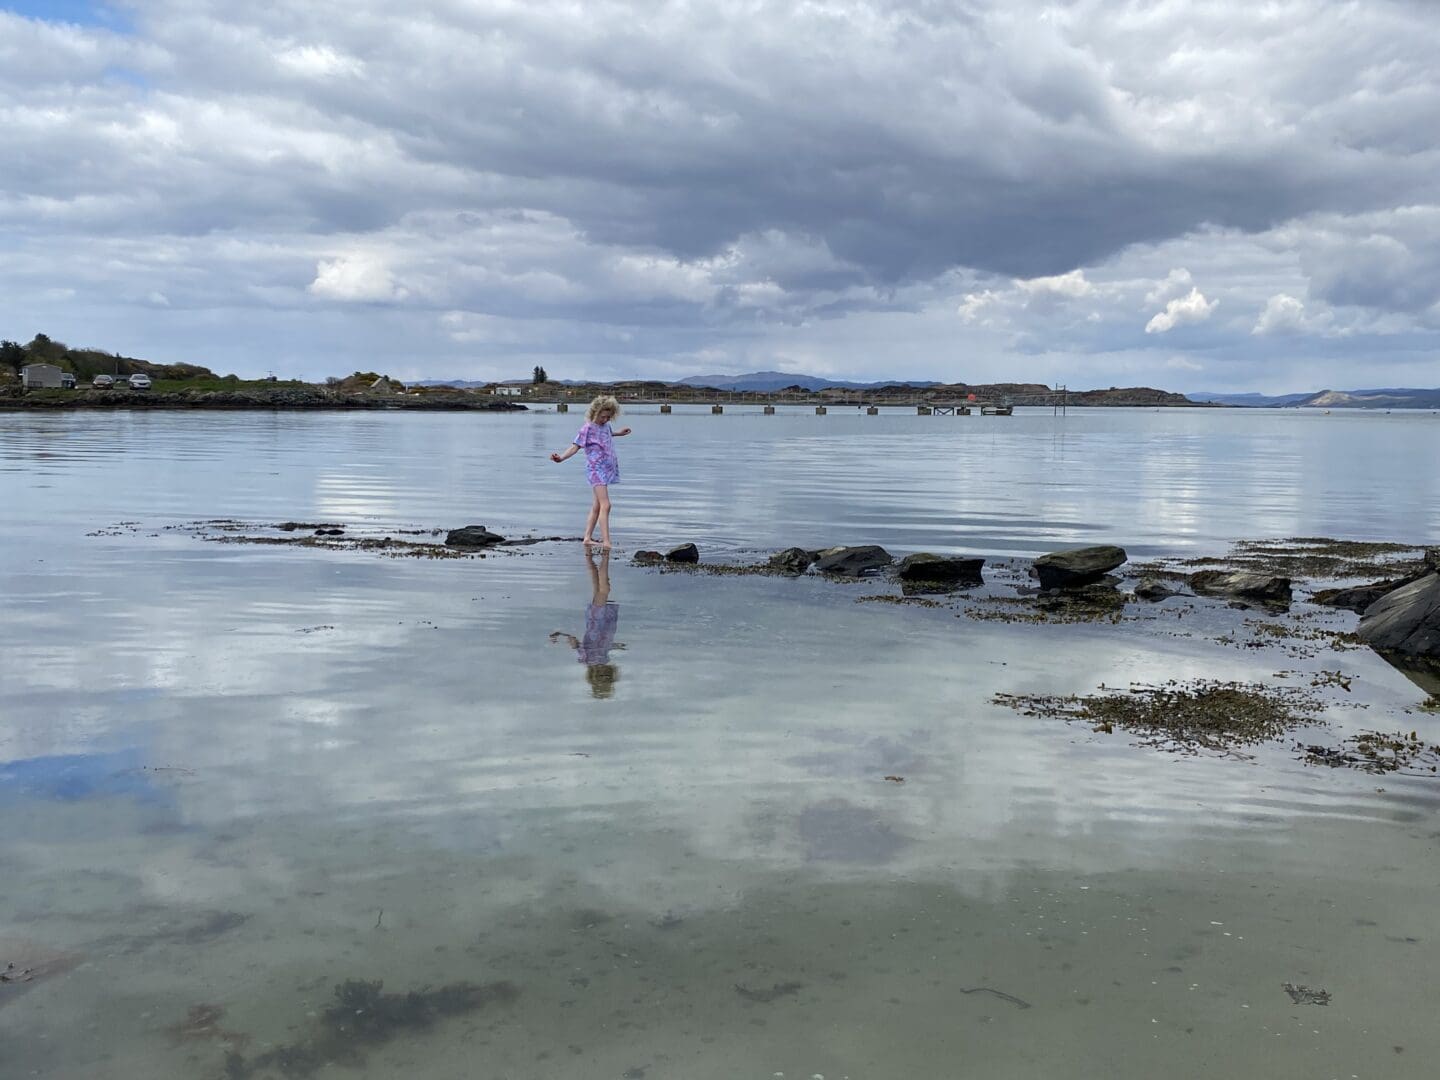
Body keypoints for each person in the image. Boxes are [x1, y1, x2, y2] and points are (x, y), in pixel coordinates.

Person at [549, 395, 632, 549]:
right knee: (606, 505)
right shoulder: (587, 428)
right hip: (596, 470)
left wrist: (619, 433)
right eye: (603, 417)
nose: (605, 419)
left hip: (607, 469)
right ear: (595, 413)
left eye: (608, 417)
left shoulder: (606, 426)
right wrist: (560, 458)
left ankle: (587, 538)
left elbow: (606, 434)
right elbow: (575, 446)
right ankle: (606, 542)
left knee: (597, 505)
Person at [549, 547, 621, 698]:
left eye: (601, 677)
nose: (602, 674)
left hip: (597, 620)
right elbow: (594, 645)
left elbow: (575, 643)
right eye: (605, 677)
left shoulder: (585, 659)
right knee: (598, 586)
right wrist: (617, 645)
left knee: (604, 588)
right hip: (598, 620)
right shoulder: (598, 659)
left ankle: (604, 556)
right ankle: (592, 556)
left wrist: (562, 634)